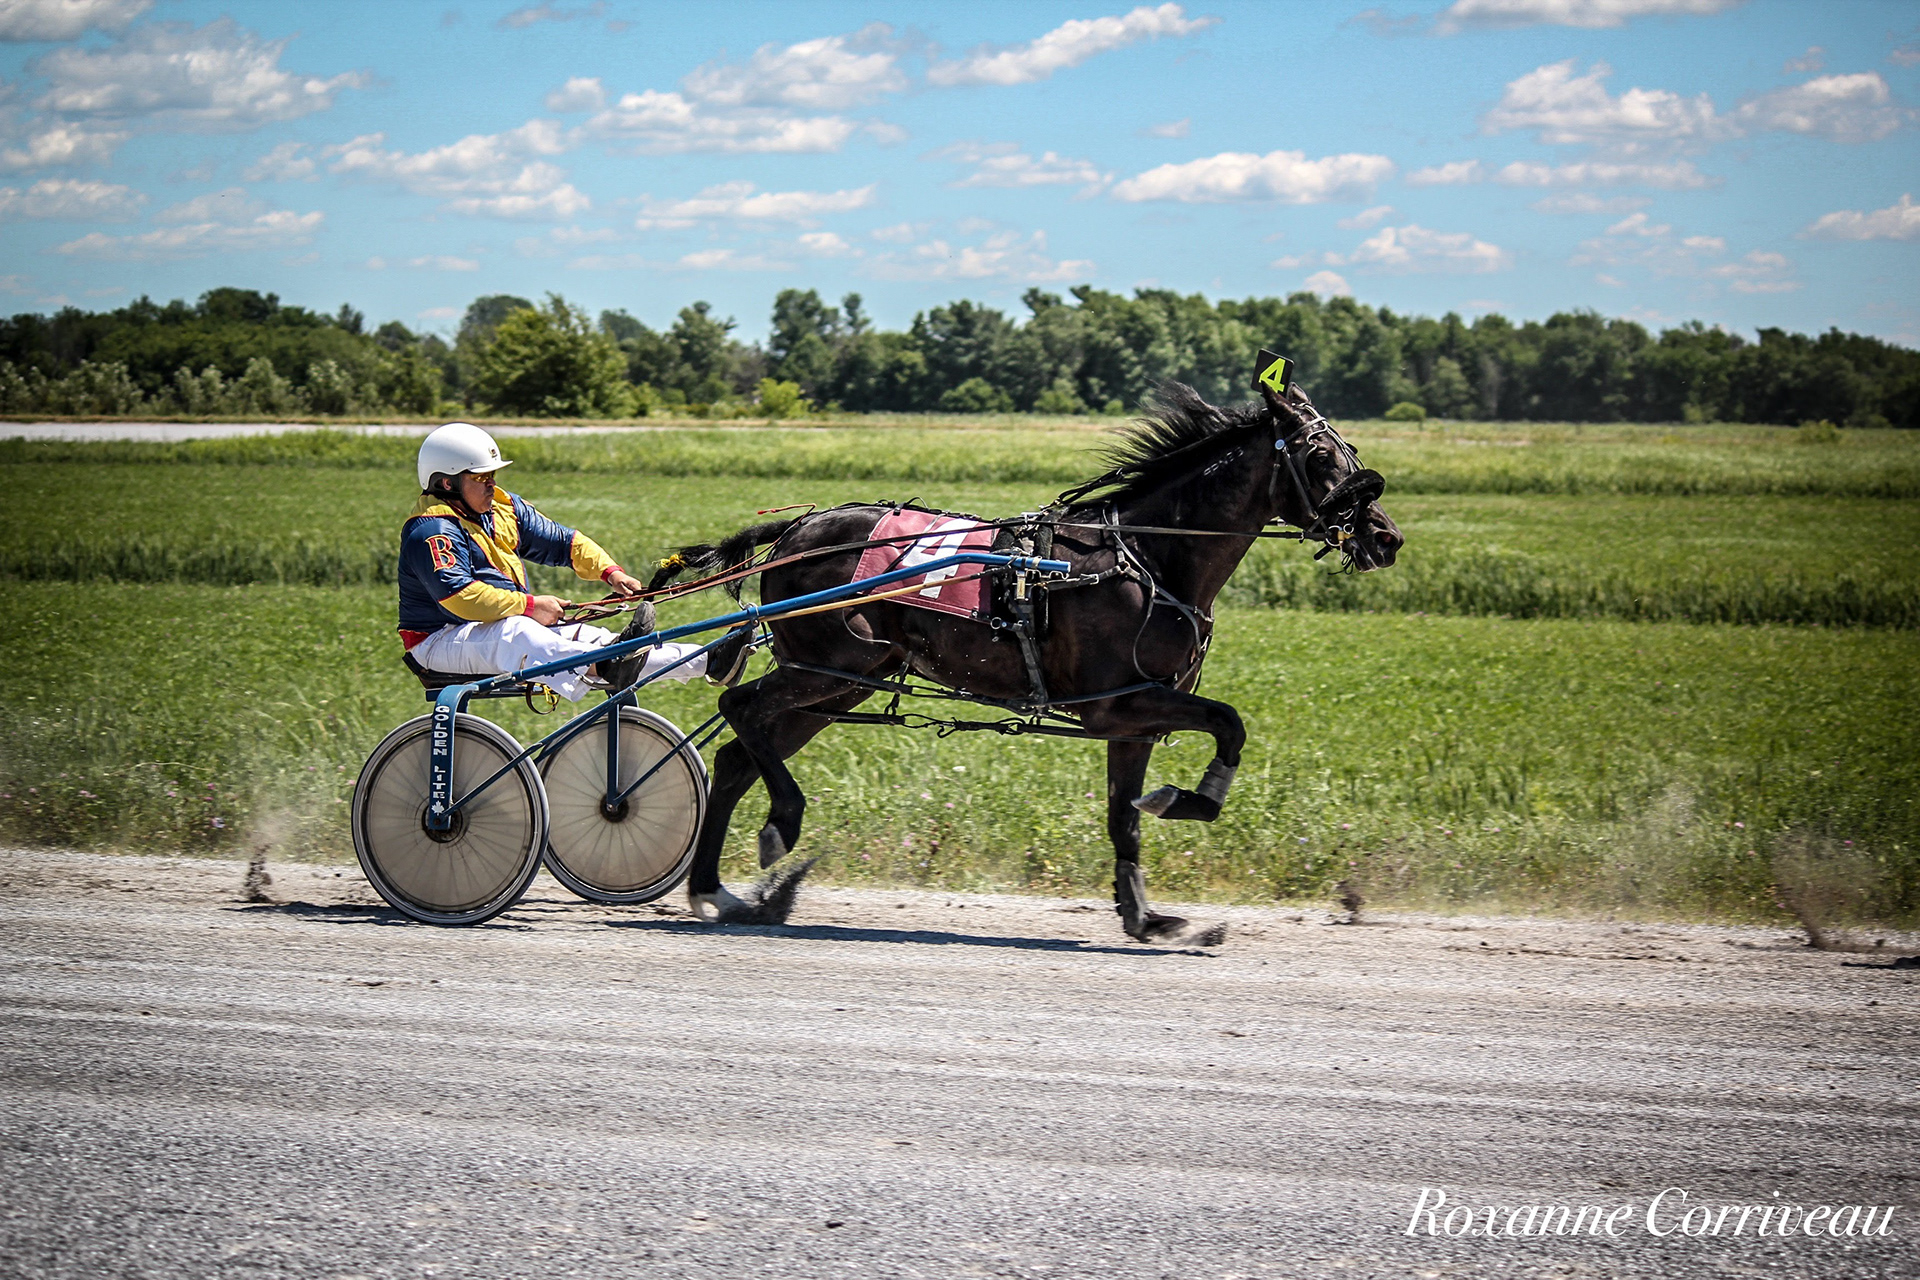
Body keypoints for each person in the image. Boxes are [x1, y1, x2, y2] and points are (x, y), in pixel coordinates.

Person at [398, 422, 750, 701]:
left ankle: (710, 660)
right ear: (446, 483)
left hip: (487, 631)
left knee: (593, 638)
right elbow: (460, 597)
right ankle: (606, 666)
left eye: (493, 476)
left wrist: (611, 574)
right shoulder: (431, 530)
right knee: (519, 632)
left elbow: (566, 543)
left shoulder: (500, 510)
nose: (491, 485)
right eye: (480, 478)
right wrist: (530, 606)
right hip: (437, 642)